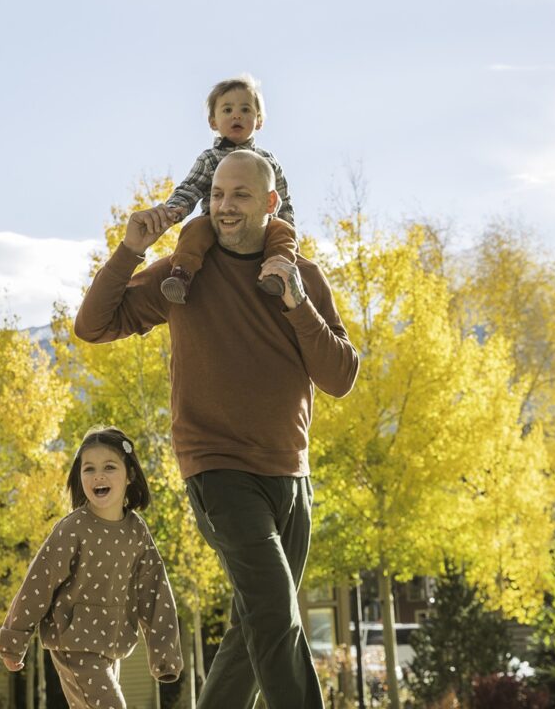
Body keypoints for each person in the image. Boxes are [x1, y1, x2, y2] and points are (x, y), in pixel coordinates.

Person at [75, 150, 360, 708]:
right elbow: (94, 325)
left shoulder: (302, 277)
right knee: (276, 611)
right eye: (218, 195)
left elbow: (340, 377)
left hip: (291, 474)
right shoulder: (185, 275)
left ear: (272, 204)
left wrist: (297, 304)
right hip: (218, 470)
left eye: (241, 195)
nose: (224, 206)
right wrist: (131, 249)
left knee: (252, 626)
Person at [0, 426, 183, 708]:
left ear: (130, 474)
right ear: (79, 476)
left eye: (109, 467)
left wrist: (165, 655)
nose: (98, 475)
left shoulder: (137, 532)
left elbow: (155, 592)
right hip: (73, 642)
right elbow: (39, 583)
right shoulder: (73, 529)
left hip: (113, 643)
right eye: (89, 469)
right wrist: (14, 639)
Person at [157, 74, 297, 304]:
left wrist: (287, 226)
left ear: (258, 120)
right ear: (213, 122)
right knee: (195, 229)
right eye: (227, 110)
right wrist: (173, 211)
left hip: (260, 226)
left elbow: (283, 199)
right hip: (217, 224)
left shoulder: (267, 161)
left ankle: (277, 273)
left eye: (245, 109)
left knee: (282, 232)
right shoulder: (210, 159)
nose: (237, 115)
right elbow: (190, 188)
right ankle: (182, 274)